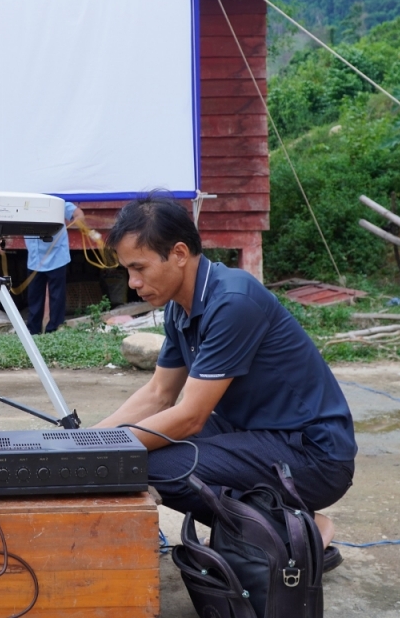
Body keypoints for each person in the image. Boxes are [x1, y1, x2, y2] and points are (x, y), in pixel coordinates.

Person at [95, 194, 356, 567]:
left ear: (180, 253)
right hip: (258, 433)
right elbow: (158, 393)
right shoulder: (179, 308)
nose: (133, 282)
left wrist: (105, 449)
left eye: (140, 268)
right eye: (128, 271)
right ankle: (272, 527)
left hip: (312, 455)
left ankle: (294, 531)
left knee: (151, 466)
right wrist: (85, 442)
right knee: (139, 450)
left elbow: (190, 417)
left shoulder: (233, 301)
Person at [24, 200, 85, 335]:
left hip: (56, 255)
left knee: (57, 296)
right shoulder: (25, 202)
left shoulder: (57, 201)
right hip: (35, 257)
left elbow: (77, 212)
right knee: (34, 296)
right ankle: (33, 331)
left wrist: (79, 218)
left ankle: (55, 329)